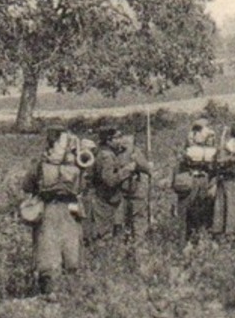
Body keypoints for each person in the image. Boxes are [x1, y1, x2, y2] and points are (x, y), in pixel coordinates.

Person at [22, 127, 86, 295]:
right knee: (72, 251)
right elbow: (82, 187)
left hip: (48, 210)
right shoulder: (77, 164)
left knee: (47, 253)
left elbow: (27, 185)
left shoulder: (40, 163)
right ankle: (72, 293)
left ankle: (49, 294)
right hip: (70, 211)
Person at [86, 124, 152, 242]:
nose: (120, 140)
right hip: (106, 200)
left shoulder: (104, 152)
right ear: (109, 140)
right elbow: (110, 180)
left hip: (108, 198)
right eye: (116, 138)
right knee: (106, 234)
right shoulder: (106, 156)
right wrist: (128, 169)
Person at [171, 118, 220, 242]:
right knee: (186, 211)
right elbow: (182, 162)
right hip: (190, 179)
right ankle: (184, 241)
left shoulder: (209, 145)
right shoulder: (189, 145)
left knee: (202, 210)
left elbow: (215, 165)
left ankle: (198, 239)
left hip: (204, 179)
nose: (208, 132)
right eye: (205, 129)